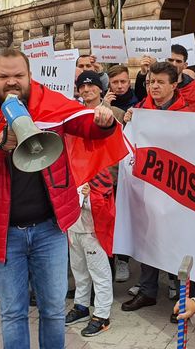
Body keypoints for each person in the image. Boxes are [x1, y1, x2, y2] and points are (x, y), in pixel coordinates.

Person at [0, 48, 127, 349]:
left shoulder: (50, 104)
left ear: (30, 76)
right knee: (13, 312)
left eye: (18, 75)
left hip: (50, 230)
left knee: (54, 311)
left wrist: (103, 122)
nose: (11, 82)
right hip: (2, 234)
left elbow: (82, 124)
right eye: (3, 76)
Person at [122, 62, 190, 313]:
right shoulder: (139, 111)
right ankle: (148, 291)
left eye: (161, 82)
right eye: (151, 82)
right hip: (149, 189)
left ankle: (182, 300)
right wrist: (128, 121)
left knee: (177, 244)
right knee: (148, 238)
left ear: (174, 85)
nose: (155, 87)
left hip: (177, 191)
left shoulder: (189, 113)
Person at [76, 70, 129, 282]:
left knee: (104, 233)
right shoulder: (74, 113)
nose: (87, 90)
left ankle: (105, 283)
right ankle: (86, 286)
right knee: (83, 236)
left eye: (91, 86)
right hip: (82, 183)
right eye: (82, 86)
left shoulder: (116, 112)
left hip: (108, 182)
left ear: (100, 88)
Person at [65, 171, 115, 337]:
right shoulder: (70, 164)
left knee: (100, 275)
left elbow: (106, 205)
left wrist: (89, 197)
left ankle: (102, 316)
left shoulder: (101, 169)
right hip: (73, 229)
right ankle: (81, 306)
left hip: (93, 232)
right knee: (79, 272)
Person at [134, 45, 195, 112]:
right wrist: (143, 73)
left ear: (185, 65)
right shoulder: (141, 106)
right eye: (170, 60)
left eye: (178, 61)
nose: (174, 64)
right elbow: (140, 97)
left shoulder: (193, 87)